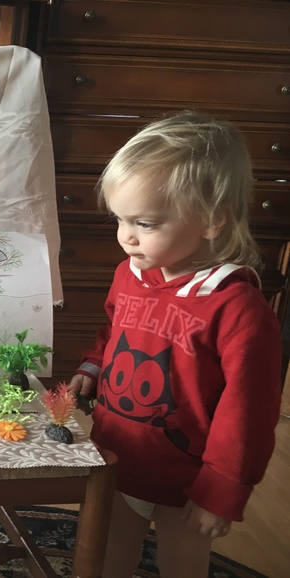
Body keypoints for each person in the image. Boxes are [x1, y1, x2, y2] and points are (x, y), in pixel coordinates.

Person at [67, 111, 282, 578]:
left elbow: (248, 411)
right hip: (118, 454)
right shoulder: (129, 274)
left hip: (188, 479)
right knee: (106, 555)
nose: (126, 236)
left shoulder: (237, 308)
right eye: (120, 219)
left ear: (212, 220)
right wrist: (93, 367)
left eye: (145, 223)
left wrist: (221, 490)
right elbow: (114, 331)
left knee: (182, 565)